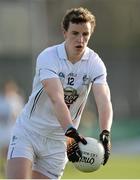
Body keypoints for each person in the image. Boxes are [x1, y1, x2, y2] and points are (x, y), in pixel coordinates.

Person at [6, 7, 113, 179]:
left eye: (85, 34)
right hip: (29, 132)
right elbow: (57, 99)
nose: (80, 39)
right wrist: (70, 132)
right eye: (75, 33)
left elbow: (104, 100)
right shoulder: (48, 57)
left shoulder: (95, 63)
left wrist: (105, 132)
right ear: (64, 33)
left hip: (58, 142)